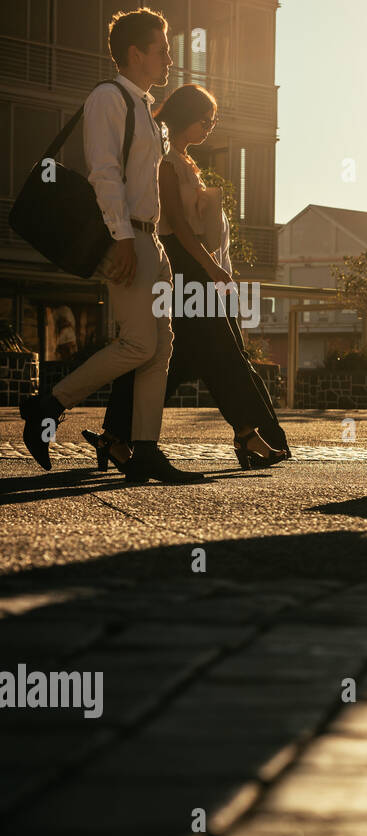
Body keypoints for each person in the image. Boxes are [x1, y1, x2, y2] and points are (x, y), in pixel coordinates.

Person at [18, 7, 205, 484]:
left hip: (150, 240)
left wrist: (156, 242)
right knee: (140, 342)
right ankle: (48, 404)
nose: (169, 59)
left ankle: (145, 447)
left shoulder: (145, 107)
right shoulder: (109, 98)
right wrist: (122, 239)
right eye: (162, 50)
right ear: (134, 53)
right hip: (128, 239)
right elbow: (104, 172)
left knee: (160, 347)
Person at [82, 83, 290, 472]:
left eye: (213, 121)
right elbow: (176, 225)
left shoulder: (183, 160)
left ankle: (115, 435)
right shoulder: (166, 161)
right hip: (183, 267)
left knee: (181, 357)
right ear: (184, 117)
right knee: (220, 353)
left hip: (193, 267)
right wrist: (212, 268)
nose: (210, 127)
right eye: (205, 120)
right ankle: (249, 436)